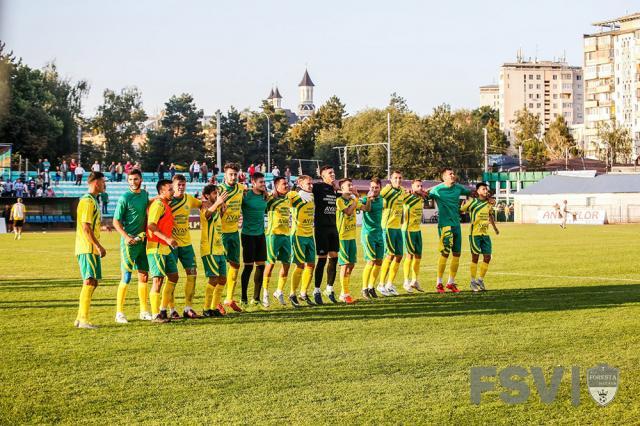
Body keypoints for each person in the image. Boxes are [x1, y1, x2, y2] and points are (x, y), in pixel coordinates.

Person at [112, 169, 152, 323]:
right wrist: (127, 237)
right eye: (130, 179)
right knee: (127, 277)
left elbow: (147, 210)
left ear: (140, 179)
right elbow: (116, 221)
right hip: (129, 243)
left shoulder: (144, 195)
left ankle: (143, 311)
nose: (133, 182)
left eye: (135, 179)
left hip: (142, 242)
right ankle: (119, 313)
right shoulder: (124, 198)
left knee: (144, 275)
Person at [426, 168, 473, 293]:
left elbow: (471, 193)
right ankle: (439, 283)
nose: (453, 175)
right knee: (445, 254)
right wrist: (420, 192)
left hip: (456, 224)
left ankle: (450, 283)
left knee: (457, 254)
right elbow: (425, 196)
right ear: (444, 177)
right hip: (445, 225)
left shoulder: (458, 188)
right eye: (450, 174)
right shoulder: (437, 190)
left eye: (453, 173)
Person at [163, 174, 203, 319]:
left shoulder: (190, 199)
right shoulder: (167, 200)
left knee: (192, 274)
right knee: (172, 277)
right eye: (178, 184)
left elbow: (202, 205)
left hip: (186, 244)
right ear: (172, 186)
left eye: (183, 184)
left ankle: (188, 308)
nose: (181, 187)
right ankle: (172, 309)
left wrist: (218, 203)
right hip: (170, 245)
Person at [73, 171, 107, 329]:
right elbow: (86, 228)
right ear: (96, 183)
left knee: (93, 282)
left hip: (89, 247)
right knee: (89, 280)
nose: (105, 184)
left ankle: (81, 317)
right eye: (103, 182)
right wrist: (98, 245)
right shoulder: (87, 201)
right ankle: (83, 320)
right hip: (87, 247)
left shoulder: (93, 200)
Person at [146, 179, 178, 323]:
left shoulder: (166, 204)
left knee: (173, 276)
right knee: (158, 280)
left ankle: (163, 310)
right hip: (156, 247)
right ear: (161, 192)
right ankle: (155, 314)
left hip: (165, 247)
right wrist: (167, 238)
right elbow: (151, 226)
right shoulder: (158, 204)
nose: (173, 191)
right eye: (170, 189)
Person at [336, 178, 371, 304]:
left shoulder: (353, 200)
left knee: (351, 264)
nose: (351, 187)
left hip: (352, 237)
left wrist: (369, 199)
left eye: (351, 185)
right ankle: (345, 294)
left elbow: (367, 209)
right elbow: (348, 212)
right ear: (341, 188)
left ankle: (343, 292)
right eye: (348, 185)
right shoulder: (339, 201)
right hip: (342, 237)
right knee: (344, 265)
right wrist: (356, 198)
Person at [461, 183, 499, 292]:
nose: (486, 191)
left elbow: (490, 215)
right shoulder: (472, 202)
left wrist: (495, 228)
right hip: (475, 234)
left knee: (487, 257)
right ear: (478, 191)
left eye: (486, 189)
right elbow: (461, 210)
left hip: (485, 234)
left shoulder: (489, 203)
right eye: (483, 189)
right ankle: (473, 282)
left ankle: (480, 280)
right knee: (475, 258)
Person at [218, 163, 246, 312]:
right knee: (220, 268)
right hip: (220, 234)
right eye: (231, 174)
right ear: (225, 175)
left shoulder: (241, 189)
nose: (233, 177)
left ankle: (229, 298)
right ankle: (216, 301)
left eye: (235, 174)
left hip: (234, 232)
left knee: (235, 265)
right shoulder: (219, 190)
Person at [263, 176, 293, 306]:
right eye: (283, 184)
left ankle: (279, 291)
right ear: (276, 186)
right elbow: (261, 206)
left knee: (286, 264)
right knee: (270, 264)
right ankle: (265, 293)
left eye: (287, 183)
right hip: (273, 235)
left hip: (286, 235)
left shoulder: (288, 198)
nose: (286, 185)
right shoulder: (271, 199)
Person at [240, 172, 268, 308]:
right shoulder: (245, 195)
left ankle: (256, 298)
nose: (263, 184)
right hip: (247, 235)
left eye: (264, 182)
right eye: (261, 182)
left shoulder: (265, 196)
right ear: (253, 183)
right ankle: (243, 297)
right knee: (248, 267)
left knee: (261, 266)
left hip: (261, 235)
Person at [312, 166, 340, 304]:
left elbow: (340, 197)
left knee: (334, 257)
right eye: (330, 173)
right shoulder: (318, 187)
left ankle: (329, 288)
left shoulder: (333, 189)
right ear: (322, 175)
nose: (333, 174)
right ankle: (316, 290)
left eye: (333, 172)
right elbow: (302, 187)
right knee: (322, 259)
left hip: (333, 227)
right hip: (321, 228)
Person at [200, 184, 228, 317]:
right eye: (214, 194)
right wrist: (218, 203)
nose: (217, 196)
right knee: (213, 279)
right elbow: (206, 215)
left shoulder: (216, 209)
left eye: (217, 194)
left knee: (223, 279)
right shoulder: (205, 207)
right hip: (209, 250)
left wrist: (222, 209)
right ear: (206, 196)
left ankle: (214, 307)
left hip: (219, 249)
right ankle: (206, 309)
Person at [377, 171, 406, 296]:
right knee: (389, 255)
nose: (398, 180)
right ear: (390, 179)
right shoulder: (387, 190)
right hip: (387, 226)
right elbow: (377, 196)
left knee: (399, 256)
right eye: (395, 178)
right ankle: (381, 284)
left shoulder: (402, 191)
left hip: (397, 227)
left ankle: (389, 284)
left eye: (400, 178)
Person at [288, 175, 316, 306]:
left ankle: (304, 293)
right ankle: (292, 293)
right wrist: (296, 191)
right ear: (300, 183)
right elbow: (285, 198)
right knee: (299, 265)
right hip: (298, 234)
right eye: (308, 183)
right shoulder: (295, 196)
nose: (310, 185)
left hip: (310, 234)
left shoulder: (312, 196)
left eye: (311, 183)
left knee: (311, 264)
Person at [360, 178, 384, 300]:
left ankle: (371, 287)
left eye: (376, 187)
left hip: (379, 234)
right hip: (368, 234)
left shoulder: (382, 200)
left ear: (380, 188)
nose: (374, 189)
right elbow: (367, 209)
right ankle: (364, 289)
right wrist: (369, 199)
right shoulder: (365, 199)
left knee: (379, 261)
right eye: (372, 187)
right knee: (371, 261)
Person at [402, 180, 427, 293]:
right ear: (412, 187)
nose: (420, 187)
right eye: (418, 186)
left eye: (421, 186)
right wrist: (408, 192)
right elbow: (401, 196)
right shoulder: (408, 198)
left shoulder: (421, 198)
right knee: (409, 256)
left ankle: (414, 280)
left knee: (418, 256)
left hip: (417, 230)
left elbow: (428, 194)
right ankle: (406, 281)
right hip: (408, 230)